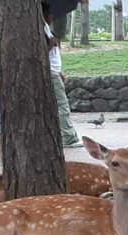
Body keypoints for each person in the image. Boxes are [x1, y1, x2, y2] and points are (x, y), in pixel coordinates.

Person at [42, 3, 80, 148]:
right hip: (50, 73)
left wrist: (60, 73)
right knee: (62, 105)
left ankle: (62, 134)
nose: (53, 16)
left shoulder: (48, 29)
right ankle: (68, 138)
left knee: (56, 106)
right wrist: (50, 44)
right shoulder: (41, 30)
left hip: (55, 72)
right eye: (50, 13)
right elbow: (38, 54)